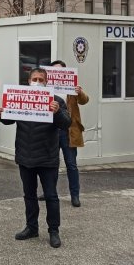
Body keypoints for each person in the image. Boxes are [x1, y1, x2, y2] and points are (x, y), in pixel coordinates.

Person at [0, 67, 71, 248]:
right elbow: (9, 120)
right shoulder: (21, 96)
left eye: (41, 79)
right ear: (28, 80)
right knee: (29, 195)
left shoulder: (56, 101)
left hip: (47, 158)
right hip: (25, 155)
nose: (37, 82)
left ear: (46, 82)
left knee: (51, 197)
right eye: (34, 79)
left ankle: (54, 231)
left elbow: (66, 124)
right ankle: (31, 227)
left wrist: (58, 112)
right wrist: (0, 114)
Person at [44, 60, 88, 207]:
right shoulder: (45, 87)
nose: (57, 73)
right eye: (54, 70)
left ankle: (75, 195)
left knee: (71, 164)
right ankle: (48, 192)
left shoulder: (71, 88)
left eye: (60, 70)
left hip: (68, 131)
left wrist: (79, 91)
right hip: (51, 130)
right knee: (50, 164)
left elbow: (85, 100)